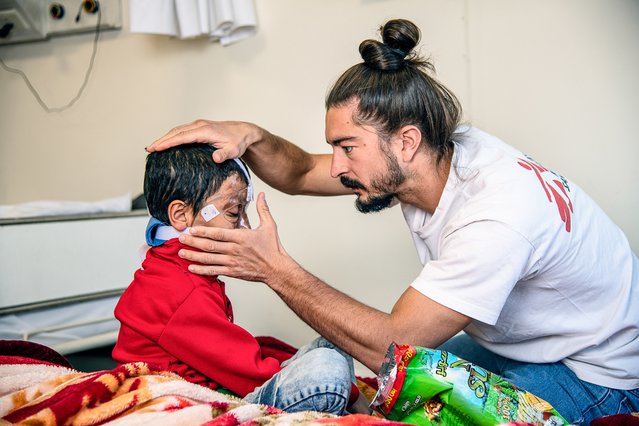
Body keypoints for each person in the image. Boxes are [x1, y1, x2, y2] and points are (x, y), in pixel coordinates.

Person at [145, 19, 639, 424]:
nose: (336, 166)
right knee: (390, 394)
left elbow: (395, 341)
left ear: (405, 141)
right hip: (536, 344)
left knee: (415, 411)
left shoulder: (496, 216)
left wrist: (276, 270)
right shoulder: (431, 157)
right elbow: (296, 172)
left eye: (346, 148)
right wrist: (252, 136)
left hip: (593, 370)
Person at [112, 143, 364, 415]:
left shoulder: (178, 268)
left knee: (337, 341)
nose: (244, 225)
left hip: (222, 383)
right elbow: (248, 372)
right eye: (234, 213)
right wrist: (352, 395)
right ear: (180, 215)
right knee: (327, 367)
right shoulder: (178, 288)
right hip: (208, 398)